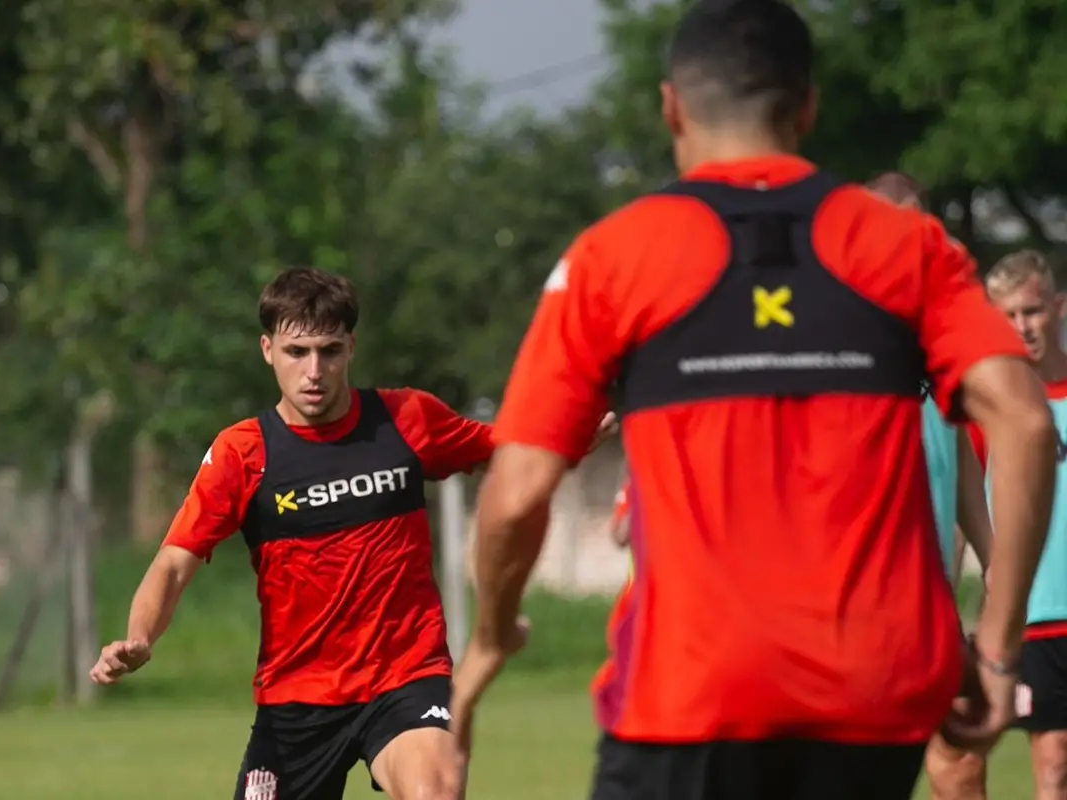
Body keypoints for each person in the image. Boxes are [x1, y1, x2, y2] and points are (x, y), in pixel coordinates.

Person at [450, 2, 1057, 799]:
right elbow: (1024, 421)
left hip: (685, 699)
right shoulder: (906, 248)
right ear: (808, 106)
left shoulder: (613, 257)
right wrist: (999, 645)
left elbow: (515, 494)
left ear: (671, 105)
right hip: (871, 697)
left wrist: (491, 634)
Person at [88, 267, 496, 800]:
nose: (314, 371)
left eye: (329, 350)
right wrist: (140, 637)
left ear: (351, 347)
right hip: (297, 699)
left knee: (436, 791)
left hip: (404, 676)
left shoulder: (406, 418)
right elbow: (173, 562)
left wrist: (584, 424)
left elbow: (514, 449)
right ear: (267, 350)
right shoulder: (243, 453)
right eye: (296, 351)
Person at [867, 171, 995, 800]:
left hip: (933, 593)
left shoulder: (941, 334)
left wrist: (995, 558)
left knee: (962, 763)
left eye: (922, 226)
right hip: (856, 595)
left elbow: (961, 455)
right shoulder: (835, 334)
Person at [972, 250, 1067, 800]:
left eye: (1031, 311)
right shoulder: (991, 409)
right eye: (1006, 316)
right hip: (1035, 615)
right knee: (1053, 760)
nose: (1022, 328)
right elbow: (968, 502)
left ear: (1058, 308)